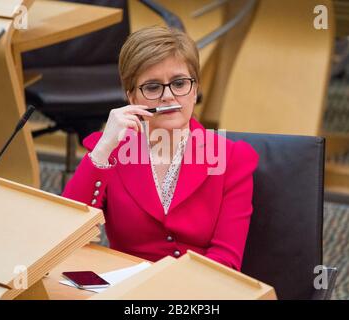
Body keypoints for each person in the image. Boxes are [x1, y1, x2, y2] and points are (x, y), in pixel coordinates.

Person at [62, 26, 259, 271]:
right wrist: (103, 150)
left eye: (179, 83)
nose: (168, 96)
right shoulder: (111, 151)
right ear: (132, 98)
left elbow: (226, 260)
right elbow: (64, 233)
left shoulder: (232, 158)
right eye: (153, 87)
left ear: (195, 90)